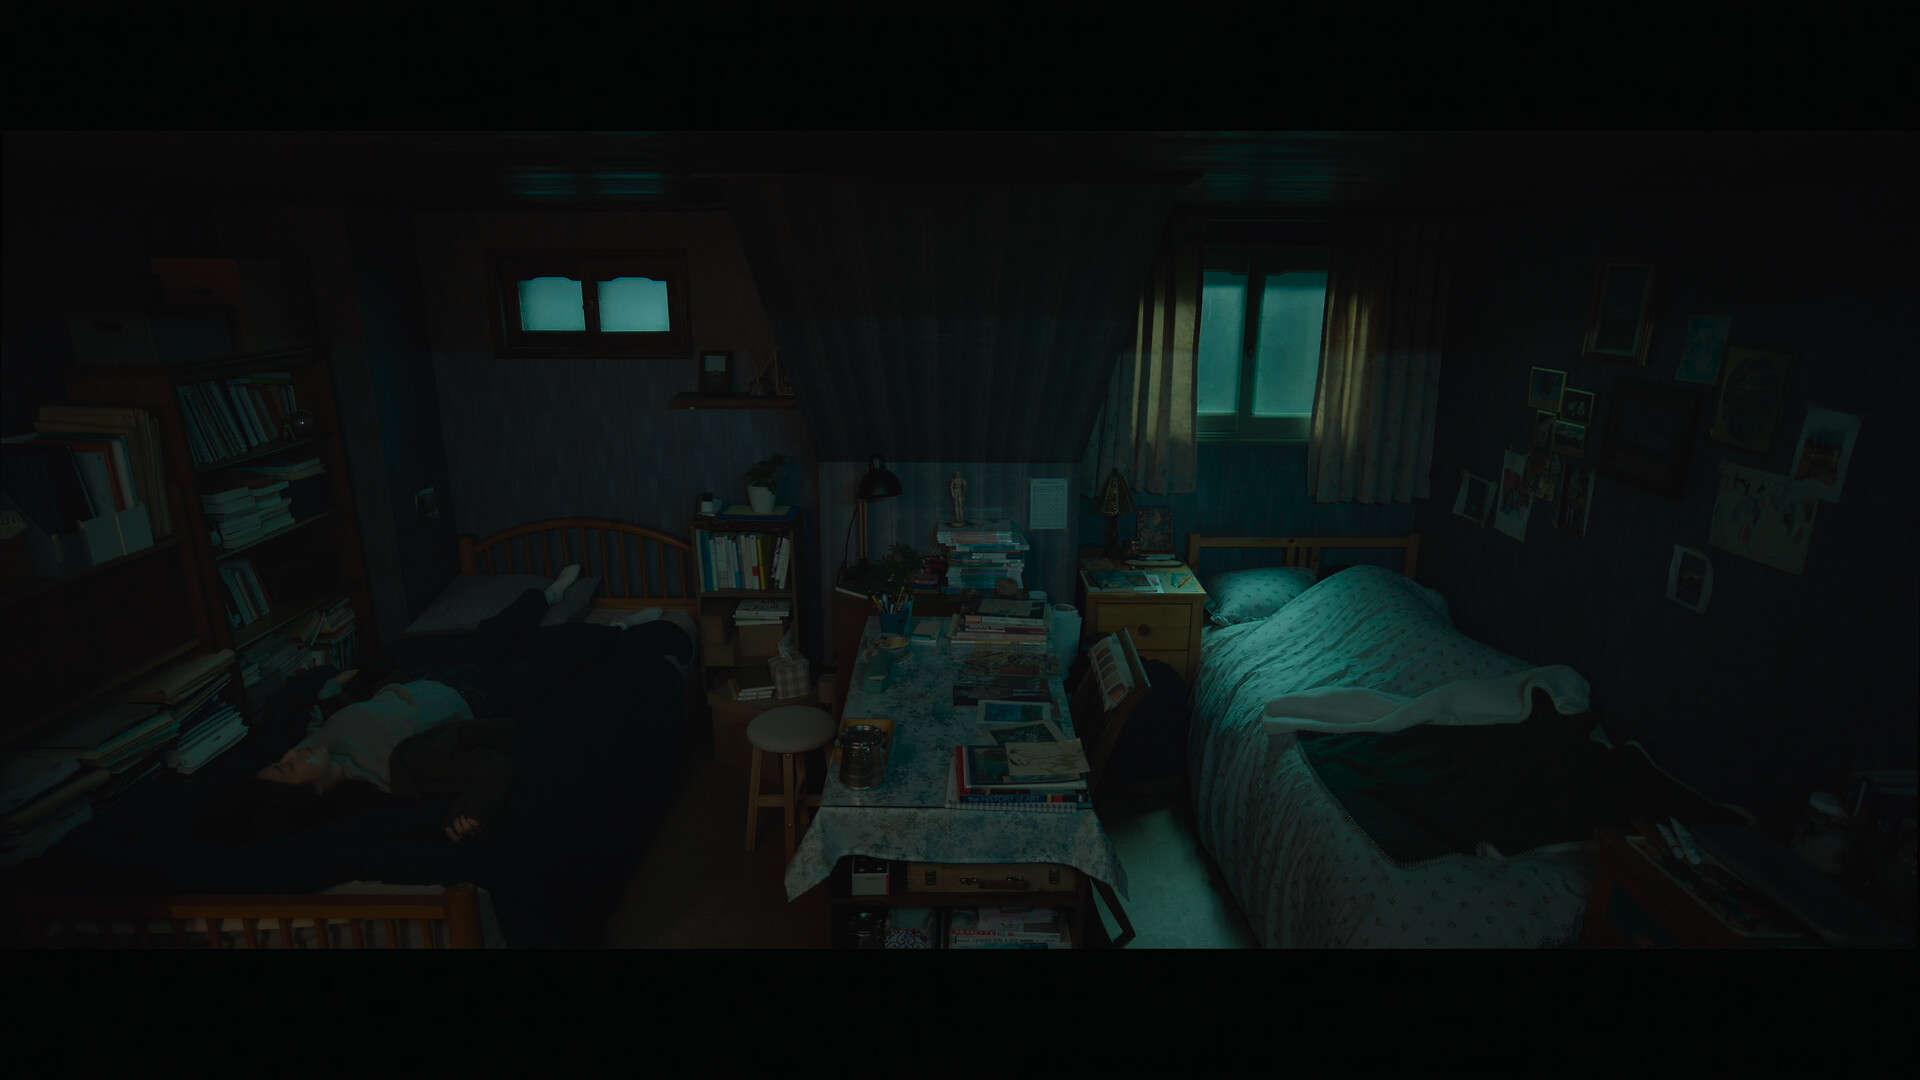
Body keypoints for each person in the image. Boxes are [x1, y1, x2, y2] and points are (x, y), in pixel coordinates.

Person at [200, 567, 693, 844]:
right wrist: (472, 811)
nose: (293, 755)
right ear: (312, 795)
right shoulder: (390, 778)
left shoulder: (316, 742)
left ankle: (549, 594)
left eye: (283, 760)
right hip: (479, 696)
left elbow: (303, 709)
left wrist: (339, 685)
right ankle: (621, 628)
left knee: (499, 632)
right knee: (553, 661)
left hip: (430, 673)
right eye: (289, 768)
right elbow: (486, 770)